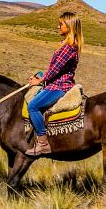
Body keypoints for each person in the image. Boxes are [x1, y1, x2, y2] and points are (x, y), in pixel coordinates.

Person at [24, 11, 83, 156]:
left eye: (61, 24)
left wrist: (40, 80)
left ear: (69, 26)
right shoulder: (67, 45)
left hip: (59, 86)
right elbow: (54, 69)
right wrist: (41, 76)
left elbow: (55, 69)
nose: (58, 26)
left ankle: (43, 143)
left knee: (32, 106)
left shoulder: (69, 47)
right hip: (55, 83)